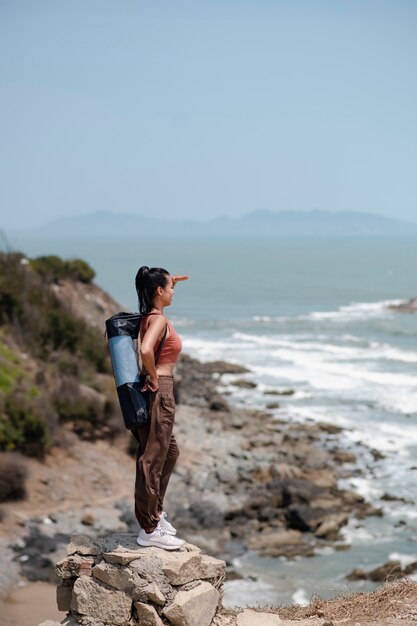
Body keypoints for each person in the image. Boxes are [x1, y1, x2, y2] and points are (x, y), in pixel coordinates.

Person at [132, 265, 189, 550]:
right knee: (153, 458)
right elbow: (145, 351)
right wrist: (154, 377)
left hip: (157, 388)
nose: (173, 292)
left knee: (170, 451)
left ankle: (155, 513)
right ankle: (149, 529)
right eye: (170, 288)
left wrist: (171, 280)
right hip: (160, 388)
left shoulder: (151, 315)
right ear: (158, 291)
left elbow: (145, 349)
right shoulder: (158, 321)